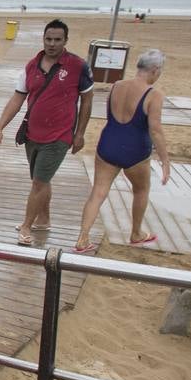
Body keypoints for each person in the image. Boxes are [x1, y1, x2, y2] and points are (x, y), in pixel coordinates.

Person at [0, 19, 94, 243]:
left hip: (59, 136)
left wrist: (80, 133)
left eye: (57, 40)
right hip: (32, 134)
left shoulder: (77, 66)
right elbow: (18, 97)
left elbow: (87, 100)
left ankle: (26, 227)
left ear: (66, 41)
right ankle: (43, 220)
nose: (52, 44)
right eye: (48, 39)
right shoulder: (31, 66)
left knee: (39, 181)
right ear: (43, 39)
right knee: (41, 180)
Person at [75, 49, 171, 252]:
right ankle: (136, 233)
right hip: (135, 149)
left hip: (108, 144)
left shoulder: (117, 86)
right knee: (141, 189)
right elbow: (156, 130)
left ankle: (82, 238)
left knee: (98, 193)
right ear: (154, 70)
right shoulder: (154, 95)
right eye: (160, 71)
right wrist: (165, 161)